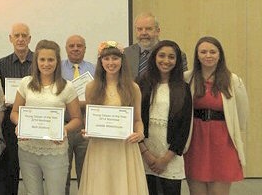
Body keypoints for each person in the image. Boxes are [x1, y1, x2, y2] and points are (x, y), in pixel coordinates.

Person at [10, 40, 82, 195]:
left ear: (57, 61)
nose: (46, 64)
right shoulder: (25, 83)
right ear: (36, 61)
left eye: (51, 60)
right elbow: (14, 113)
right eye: (42, 59)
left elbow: (77, 119)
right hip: (27, 149)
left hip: (55, 150)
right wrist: (20, 124)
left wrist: (64, 129)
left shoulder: (67, 86)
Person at [78, 41, 148, 195]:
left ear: (122, 60)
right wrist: (87, 131)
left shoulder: (133, 87)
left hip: (124, 148)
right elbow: (89, 119)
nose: (111, 63)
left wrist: (140, 133)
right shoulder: (91, 87)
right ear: (100, 61)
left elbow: (138, 120)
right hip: (100, 147)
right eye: (106, 59)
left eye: (115, 58)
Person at [183, 36, 248, 195]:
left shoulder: (233, 80)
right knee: (196, 191)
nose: (208, 55)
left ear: (220, 55)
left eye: (213, 52)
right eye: (203, 52)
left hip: (223, 143)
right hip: (195, 142)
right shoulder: (187, 78)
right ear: (197, 55)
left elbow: (241, 114)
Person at [137, 40, 192, 195]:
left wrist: (165, 159)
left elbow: (184, 127)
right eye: (161, 55)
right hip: (144, 153)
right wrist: (146, 154)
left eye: (171, 57)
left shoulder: (183, 88)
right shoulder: (141, 84)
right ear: (154, 57)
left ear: (177, 61)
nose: (166, 61)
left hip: (170, 155)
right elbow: (135, 120)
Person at [0, 23, 33, 195]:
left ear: (30, 39)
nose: (21, 39)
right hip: (10, 123)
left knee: (34, 168)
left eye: (24, 35)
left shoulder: (40, 61)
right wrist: (5, 99)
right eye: (17, 35)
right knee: (10, 167)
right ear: (11, 39)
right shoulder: (2, 64)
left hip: (35, 122)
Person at [60, 35, 95, 194]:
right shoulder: (56, 69)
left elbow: (99, 99)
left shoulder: (95, 69)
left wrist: (74, 103)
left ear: (85, 49)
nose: (75, 48)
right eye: (71, 46)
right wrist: (77, 103)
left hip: (87, 128)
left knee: (87, 175)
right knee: (62, 175)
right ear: (66, 49)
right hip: (63, 126)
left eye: (79, 46)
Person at [124, 12, 188, 78]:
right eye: (139, 29)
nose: (143, 33)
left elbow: (181, 82)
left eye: (148, 29)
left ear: (158, 31)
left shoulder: (175, 55)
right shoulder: (125, 54)